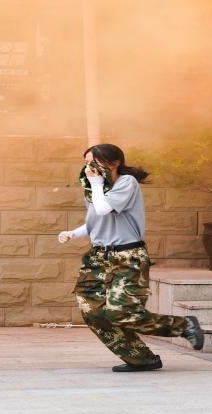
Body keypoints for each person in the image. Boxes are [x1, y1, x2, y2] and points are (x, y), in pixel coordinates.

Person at [57, 144, 204, 372]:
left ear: (115, 163)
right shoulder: (95, 187)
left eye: (95, 162)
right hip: (97, 257)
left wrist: (96, 184)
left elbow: (104, 209)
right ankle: (141, 359)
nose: (89, 168)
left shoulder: (126, 182)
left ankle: (182, 326)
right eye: (86, 163)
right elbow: (96, 220)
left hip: (127, 257)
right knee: (93, 312)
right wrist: (73, 233)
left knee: (121, 312)